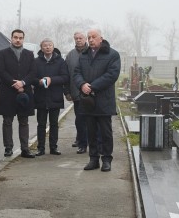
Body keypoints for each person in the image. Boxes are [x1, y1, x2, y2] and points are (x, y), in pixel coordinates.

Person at [72, 28, 121, 172]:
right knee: (91, 132)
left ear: (101, 38)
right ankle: (93, 159)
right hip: (88, 101)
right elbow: (76, 73)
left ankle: (106, 159)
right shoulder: (84, 55)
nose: (91, 40)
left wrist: (92, 86)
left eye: (94, 37)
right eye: (89, 37)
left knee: (106, 132)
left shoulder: (112, 54)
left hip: (104, 100)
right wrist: (82, 84)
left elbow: (112, 75)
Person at [0, 28, 36, 158]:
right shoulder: (3, 53)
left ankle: (25, 149)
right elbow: (1, 71)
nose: (18, 40)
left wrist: (23, 83)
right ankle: (8, 148)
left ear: (23, 39)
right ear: (11, 38)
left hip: (24, 92)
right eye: (15, 37)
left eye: (20, 38)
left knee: (24, 121)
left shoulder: (29, 54)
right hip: (8, 92)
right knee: (7, 121)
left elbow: (33, 72)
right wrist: (15, 83)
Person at [33, 38, 67, 155]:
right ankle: (40, 148)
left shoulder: (60, 61)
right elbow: (32, 78)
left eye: (50, 45)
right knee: (41, 124)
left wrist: (51, 79)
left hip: (55, 97)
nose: (47, 47)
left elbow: (64, 77)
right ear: (41, 48)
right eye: (45, 45)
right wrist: (39, 82)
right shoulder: (36, 61)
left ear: (53, 47)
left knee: (54, 124)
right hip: (41, 96)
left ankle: (53, 147)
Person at [65, 31, 90, 154]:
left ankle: (92, 141)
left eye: (80, 38)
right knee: (79, 119)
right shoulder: (70, 55)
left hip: (91, 93)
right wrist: (67, 92)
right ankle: (82, 143)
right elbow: (66, 74)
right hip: (76, 93)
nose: (78, 40)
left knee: (91, 119)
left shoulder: (92, 52)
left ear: (85, 39)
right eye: (76, 38)